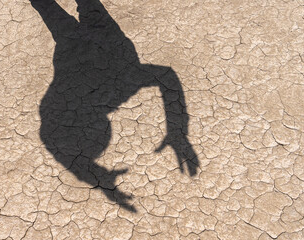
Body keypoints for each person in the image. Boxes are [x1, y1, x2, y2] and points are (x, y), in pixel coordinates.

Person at [30, 0, 198, 212]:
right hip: (81, 40)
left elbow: (166, 75)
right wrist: (101, 181)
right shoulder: (60, 100)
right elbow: (53, 142)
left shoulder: (121, 85)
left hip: (96, 38)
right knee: (48, 8)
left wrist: (177, 132)